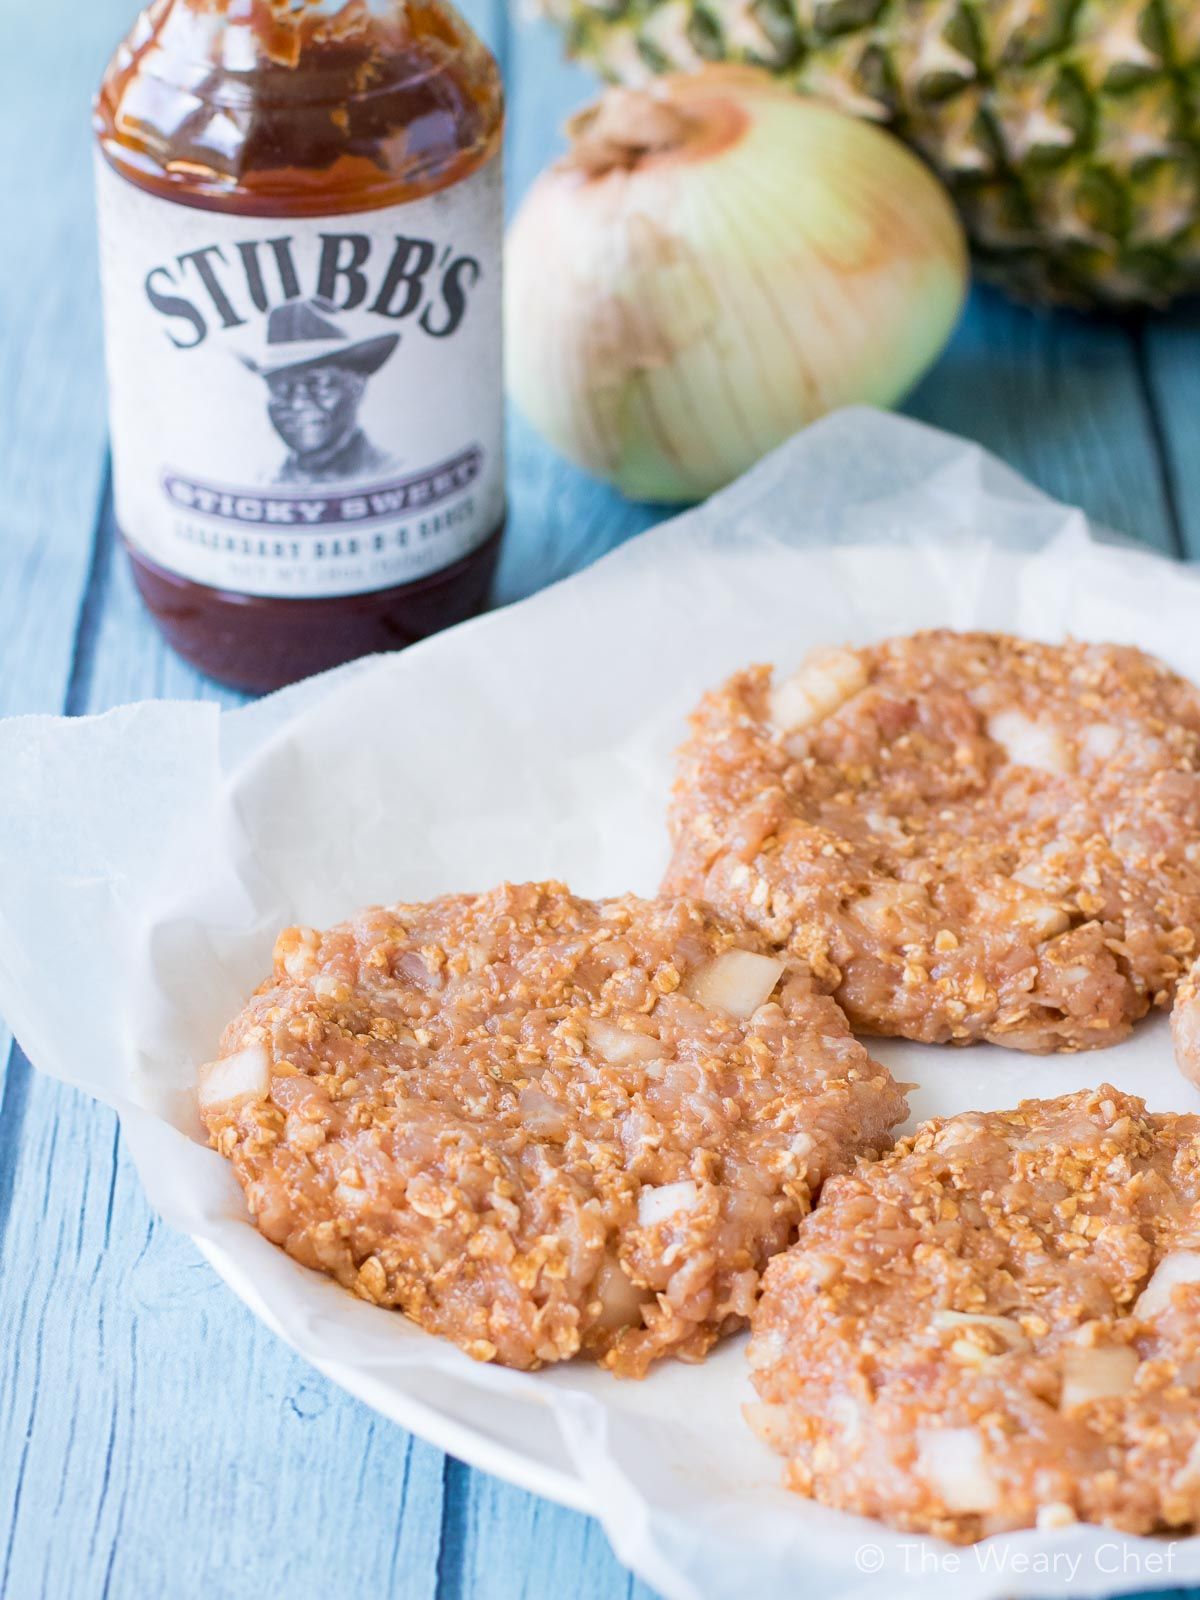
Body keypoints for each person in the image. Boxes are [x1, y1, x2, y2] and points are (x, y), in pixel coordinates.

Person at [240, 299, 400, 485]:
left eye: (318, 385)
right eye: (282, 389)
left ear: (357, 388)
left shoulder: (386, 468)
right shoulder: (271, 479)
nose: (297, 403)